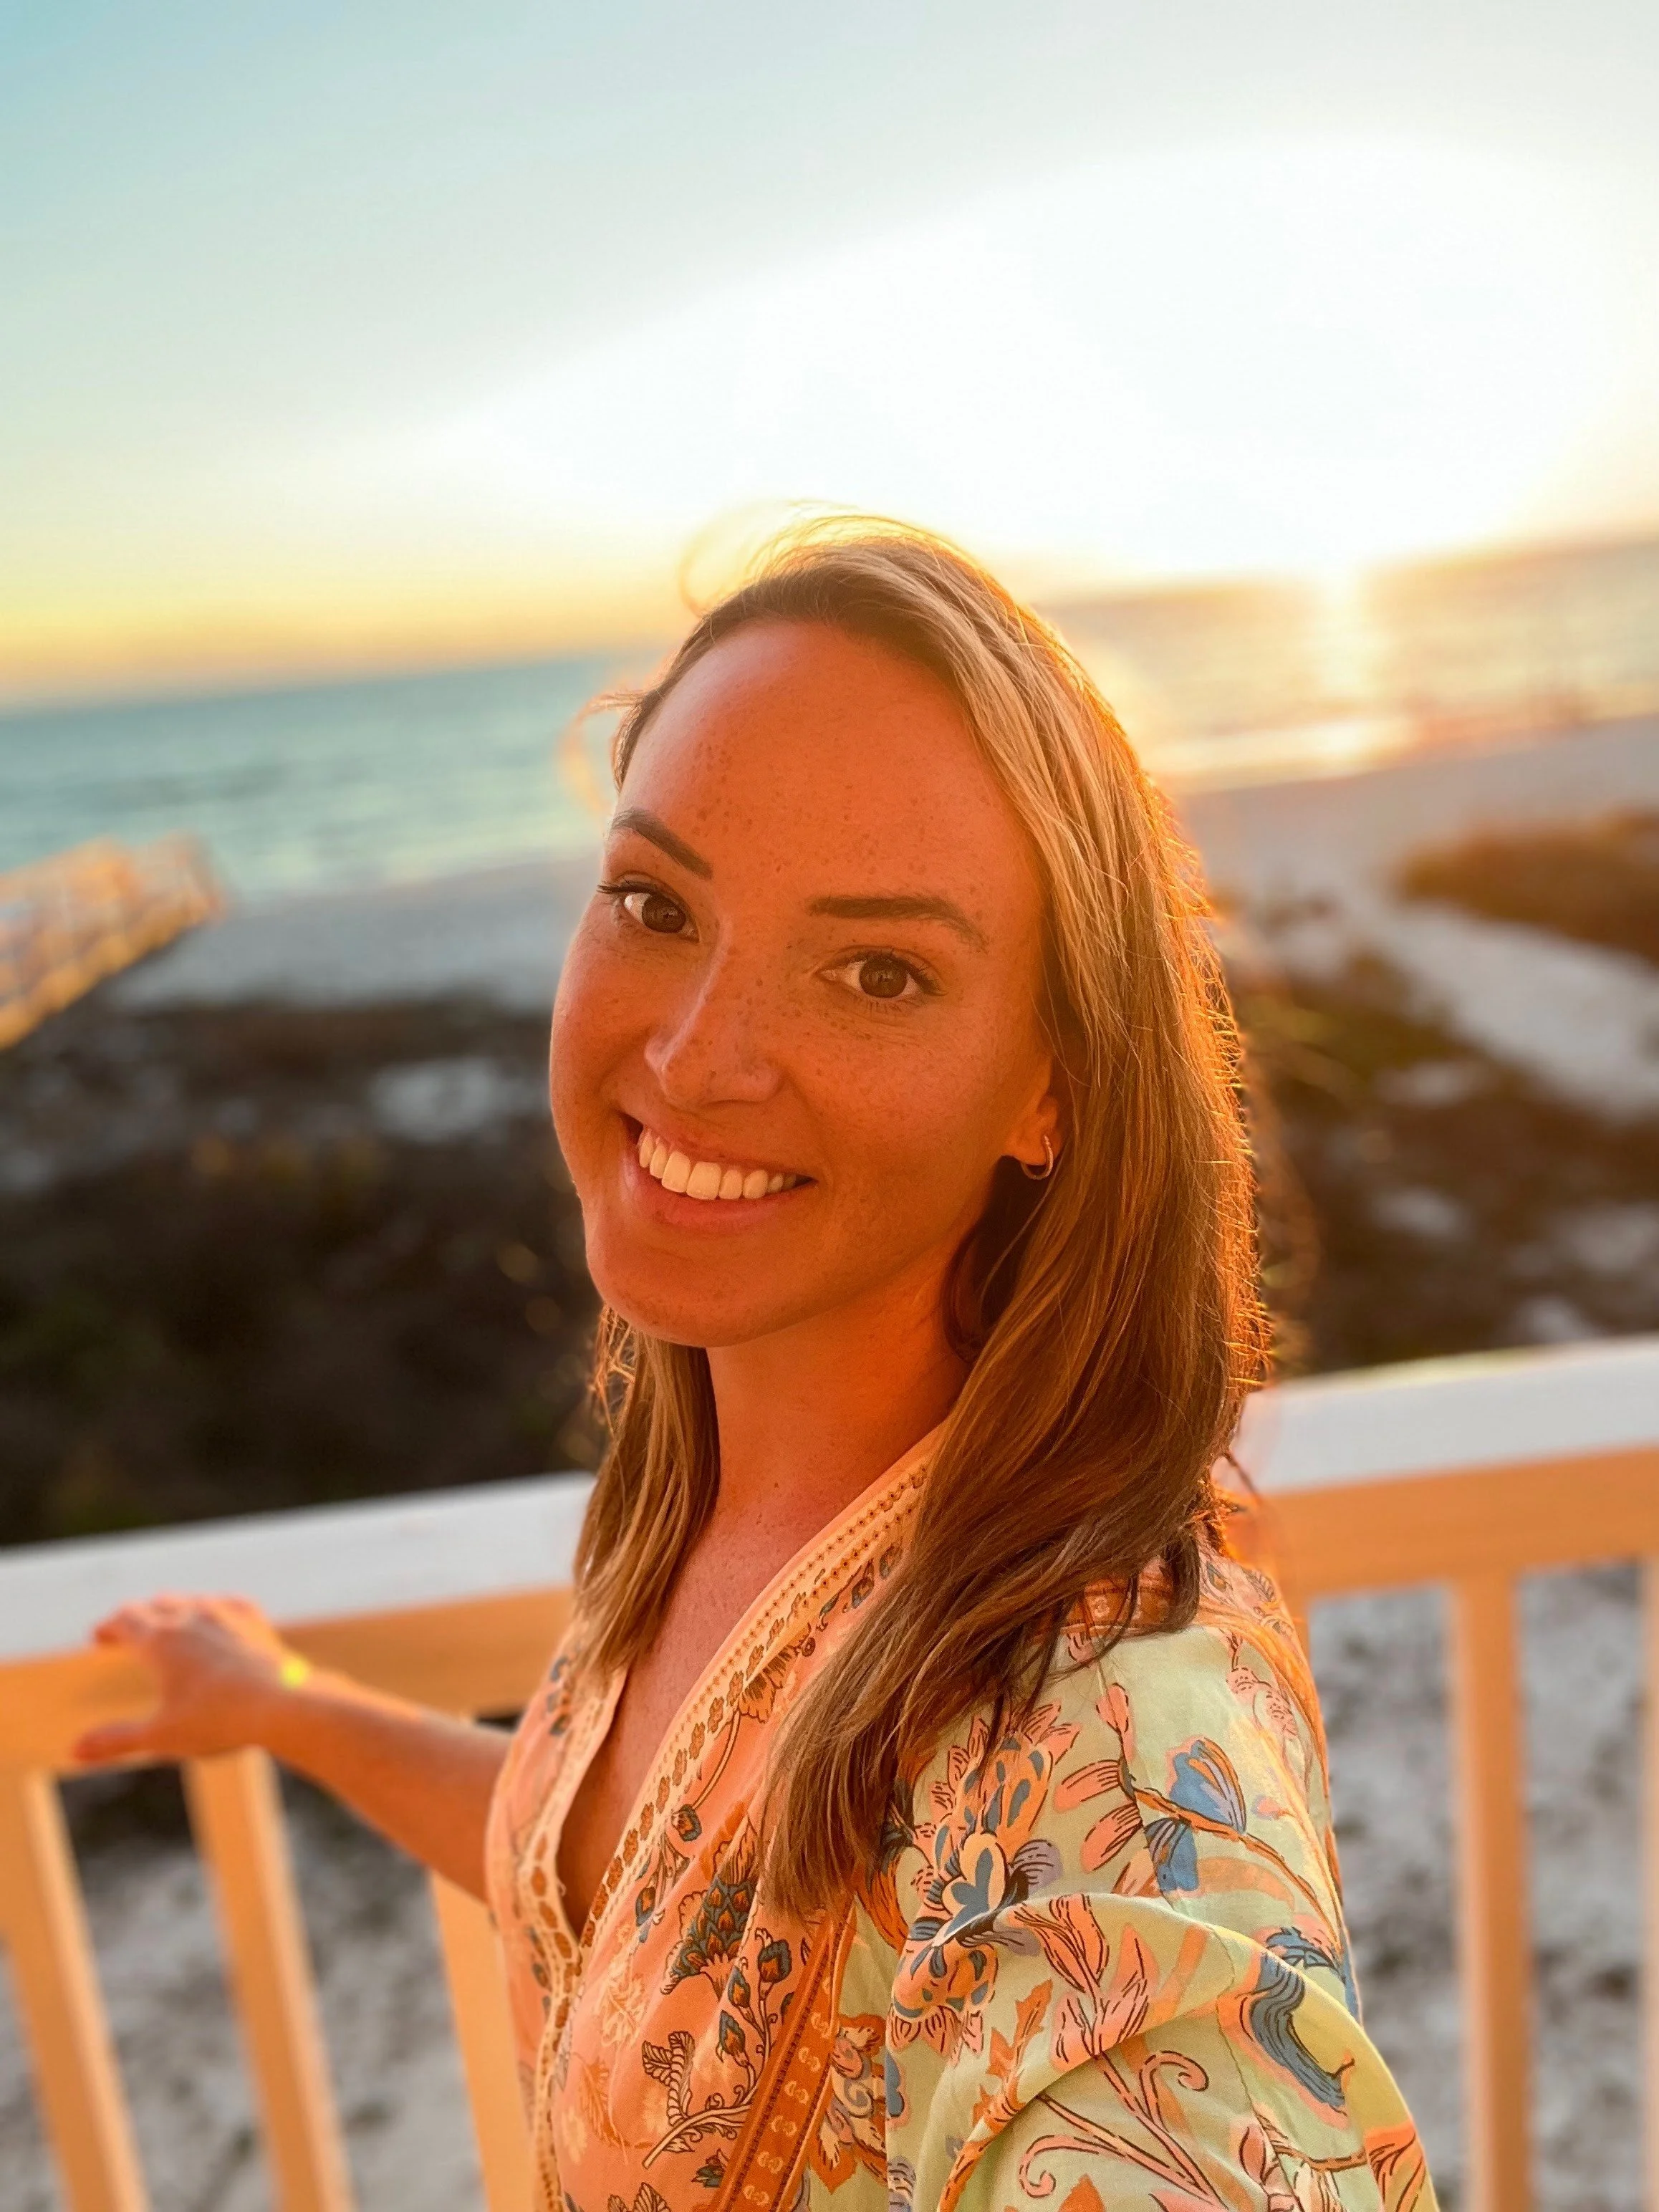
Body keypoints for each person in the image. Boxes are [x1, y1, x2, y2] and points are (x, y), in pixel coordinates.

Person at [75, 524, 1434, 2211]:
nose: (699, 1054)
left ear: (1052, 1088)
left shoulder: (1108, 1716)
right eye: (656, 902)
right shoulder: (705, 1494)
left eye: (877, 970)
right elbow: (615, 1882)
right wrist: (287, 1706)